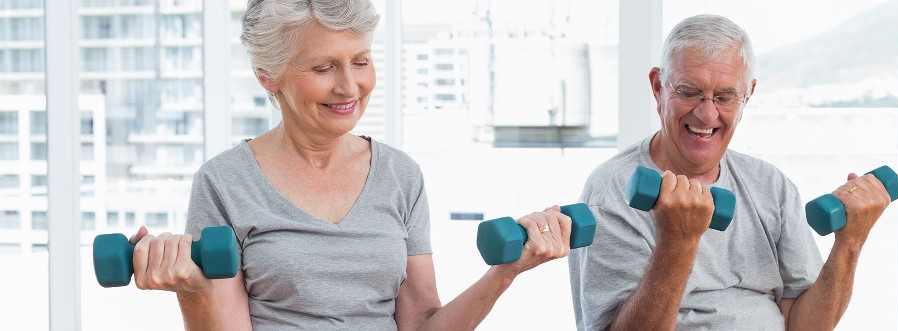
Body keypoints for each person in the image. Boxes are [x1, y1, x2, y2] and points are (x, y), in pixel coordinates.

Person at [126, 0, 573, 329]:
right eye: (323, 68)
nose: (349, 86)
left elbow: (421, 325)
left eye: (360, 61)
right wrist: (192, 291)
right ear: (268, 75)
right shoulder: (224, 181)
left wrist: (505, 272)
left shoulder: (400, 175)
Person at [568, 14, 892, 330]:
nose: (707, 113)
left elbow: (804, 325)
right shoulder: (612, 191)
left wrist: (850, 242)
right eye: (687, 91)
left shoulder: (771, 187)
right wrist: (678, 242)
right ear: (657, 87)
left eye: (725, 97)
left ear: (747, 95)